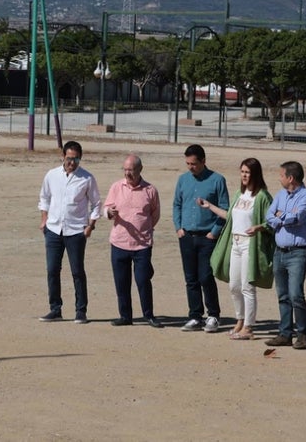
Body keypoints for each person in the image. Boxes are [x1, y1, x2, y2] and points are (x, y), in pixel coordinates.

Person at [197, 158, 275, 340]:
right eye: (242, 172)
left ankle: (248, 327)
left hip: (250, 245)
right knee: (234, 286)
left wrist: (259, 227)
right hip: (235, 244)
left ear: (255, 174)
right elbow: (230, 217)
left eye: (247, 172)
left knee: (248, 287)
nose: (244, 176)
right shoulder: (239, 195)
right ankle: (240, 320)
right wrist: (210, 206)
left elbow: (271, 222)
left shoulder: (262, 196)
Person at [38, 140, 101, 324]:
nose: (71, 163)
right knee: (52, 270)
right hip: (53, 229)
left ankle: (81, 310)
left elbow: (96, 203)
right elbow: (44, 197)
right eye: (68, 158)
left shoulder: (87, 179)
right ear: (62, 157)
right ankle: (55, 309)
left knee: (77, 271)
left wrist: (90, 225)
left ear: (80, 159)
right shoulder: (52, 175)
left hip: (75, 231)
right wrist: (44, 219)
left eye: (76, 159)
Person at [172, 144, 229, 332]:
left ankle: (213, 315)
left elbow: (225, 209)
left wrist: (214, 232)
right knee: (191, 278)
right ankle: (195, 316)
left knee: (205, 276)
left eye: (194, 163)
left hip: (208, 237)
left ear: (203, 161)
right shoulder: (182, 180)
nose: (190, 167)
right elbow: (177, 204)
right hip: (187, 236)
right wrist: (179, 227)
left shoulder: (217, 180)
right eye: (187, 163)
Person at [103, 154, 163, 328]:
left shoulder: (150, 190)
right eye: (125, 169)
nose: (128, 173)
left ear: (140, 170)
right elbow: (105, 208)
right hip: (119, 242)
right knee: (121, 282)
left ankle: (149, 315)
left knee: (143, 279)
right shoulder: (116, 187)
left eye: (131, 170)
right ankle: (125, 316)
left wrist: (145, 228)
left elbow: (155, 214)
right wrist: (109, 213)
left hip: (142, 244)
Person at [264, 161, 306, 350]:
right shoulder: (280, 195)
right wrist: (283, 215)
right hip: (279, 251)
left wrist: (281, 216)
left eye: (281, 175)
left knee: (296, 294)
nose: (279, 178)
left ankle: (303, 334)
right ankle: (285, 333)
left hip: (297, 252)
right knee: (283, 295)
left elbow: (297, 218)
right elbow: (269, 216)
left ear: (290, 178)